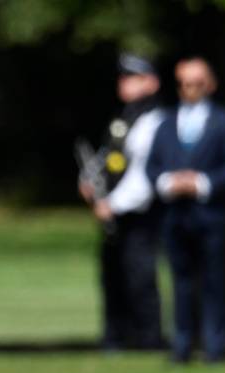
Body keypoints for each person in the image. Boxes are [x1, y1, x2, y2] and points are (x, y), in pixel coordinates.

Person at [146, 56, 225, 362]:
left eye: (197, 83)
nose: (191, 89)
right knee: (180, 282)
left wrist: (201, 183)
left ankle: (215, 345)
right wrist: (168, 182)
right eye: (185, 83)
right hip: (175, 215)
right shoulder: (166, 122)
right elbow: (152, 167)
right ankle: (181, 344)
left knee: (214, 281)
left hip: (210, 214)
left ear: (210, 85)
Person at [79, 54, 165, 351]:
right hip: (114, 215)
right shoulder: (123, 118)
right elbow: (107, 157)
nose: (124, 84)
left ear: (151, 83)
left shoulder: (154, 120)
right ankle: (115, 336)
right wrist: (89, 181)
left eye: (132, 78)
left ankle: (149, 338)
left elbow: (144, 174)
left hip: (139, 213)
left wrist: (113, 203)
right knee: (112, 274)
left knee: (140, 276)